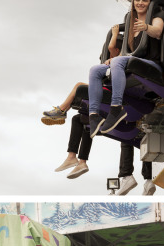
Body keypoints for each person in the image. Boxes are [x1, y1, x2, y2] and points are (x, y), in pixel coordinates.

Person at [87, 0, 164, 137]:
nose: (140, 3)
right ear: (133, 2)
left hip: (152, 64)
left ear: (149, 3)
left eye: (144, 0)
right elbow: (125, 52)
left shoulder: (156, 18)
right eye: (137, 0)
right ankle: (94, 116)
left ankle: (116, 108)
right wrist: (111, 59)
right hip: (131, 61)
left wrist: (146, 27)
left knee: (118, 61)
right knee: (95, 70)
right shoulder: (130, 25)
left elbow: (158, 31)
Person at [50, 25, 122, 180]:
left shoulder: (119, 59)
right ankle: (77, 160)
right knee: (81, 119)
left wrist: (115, 32)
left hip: (113, 94)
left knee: (78, 86)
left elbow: (112, 47)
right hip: (106, 91)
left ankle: (62, 110)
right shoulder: (112, 63)